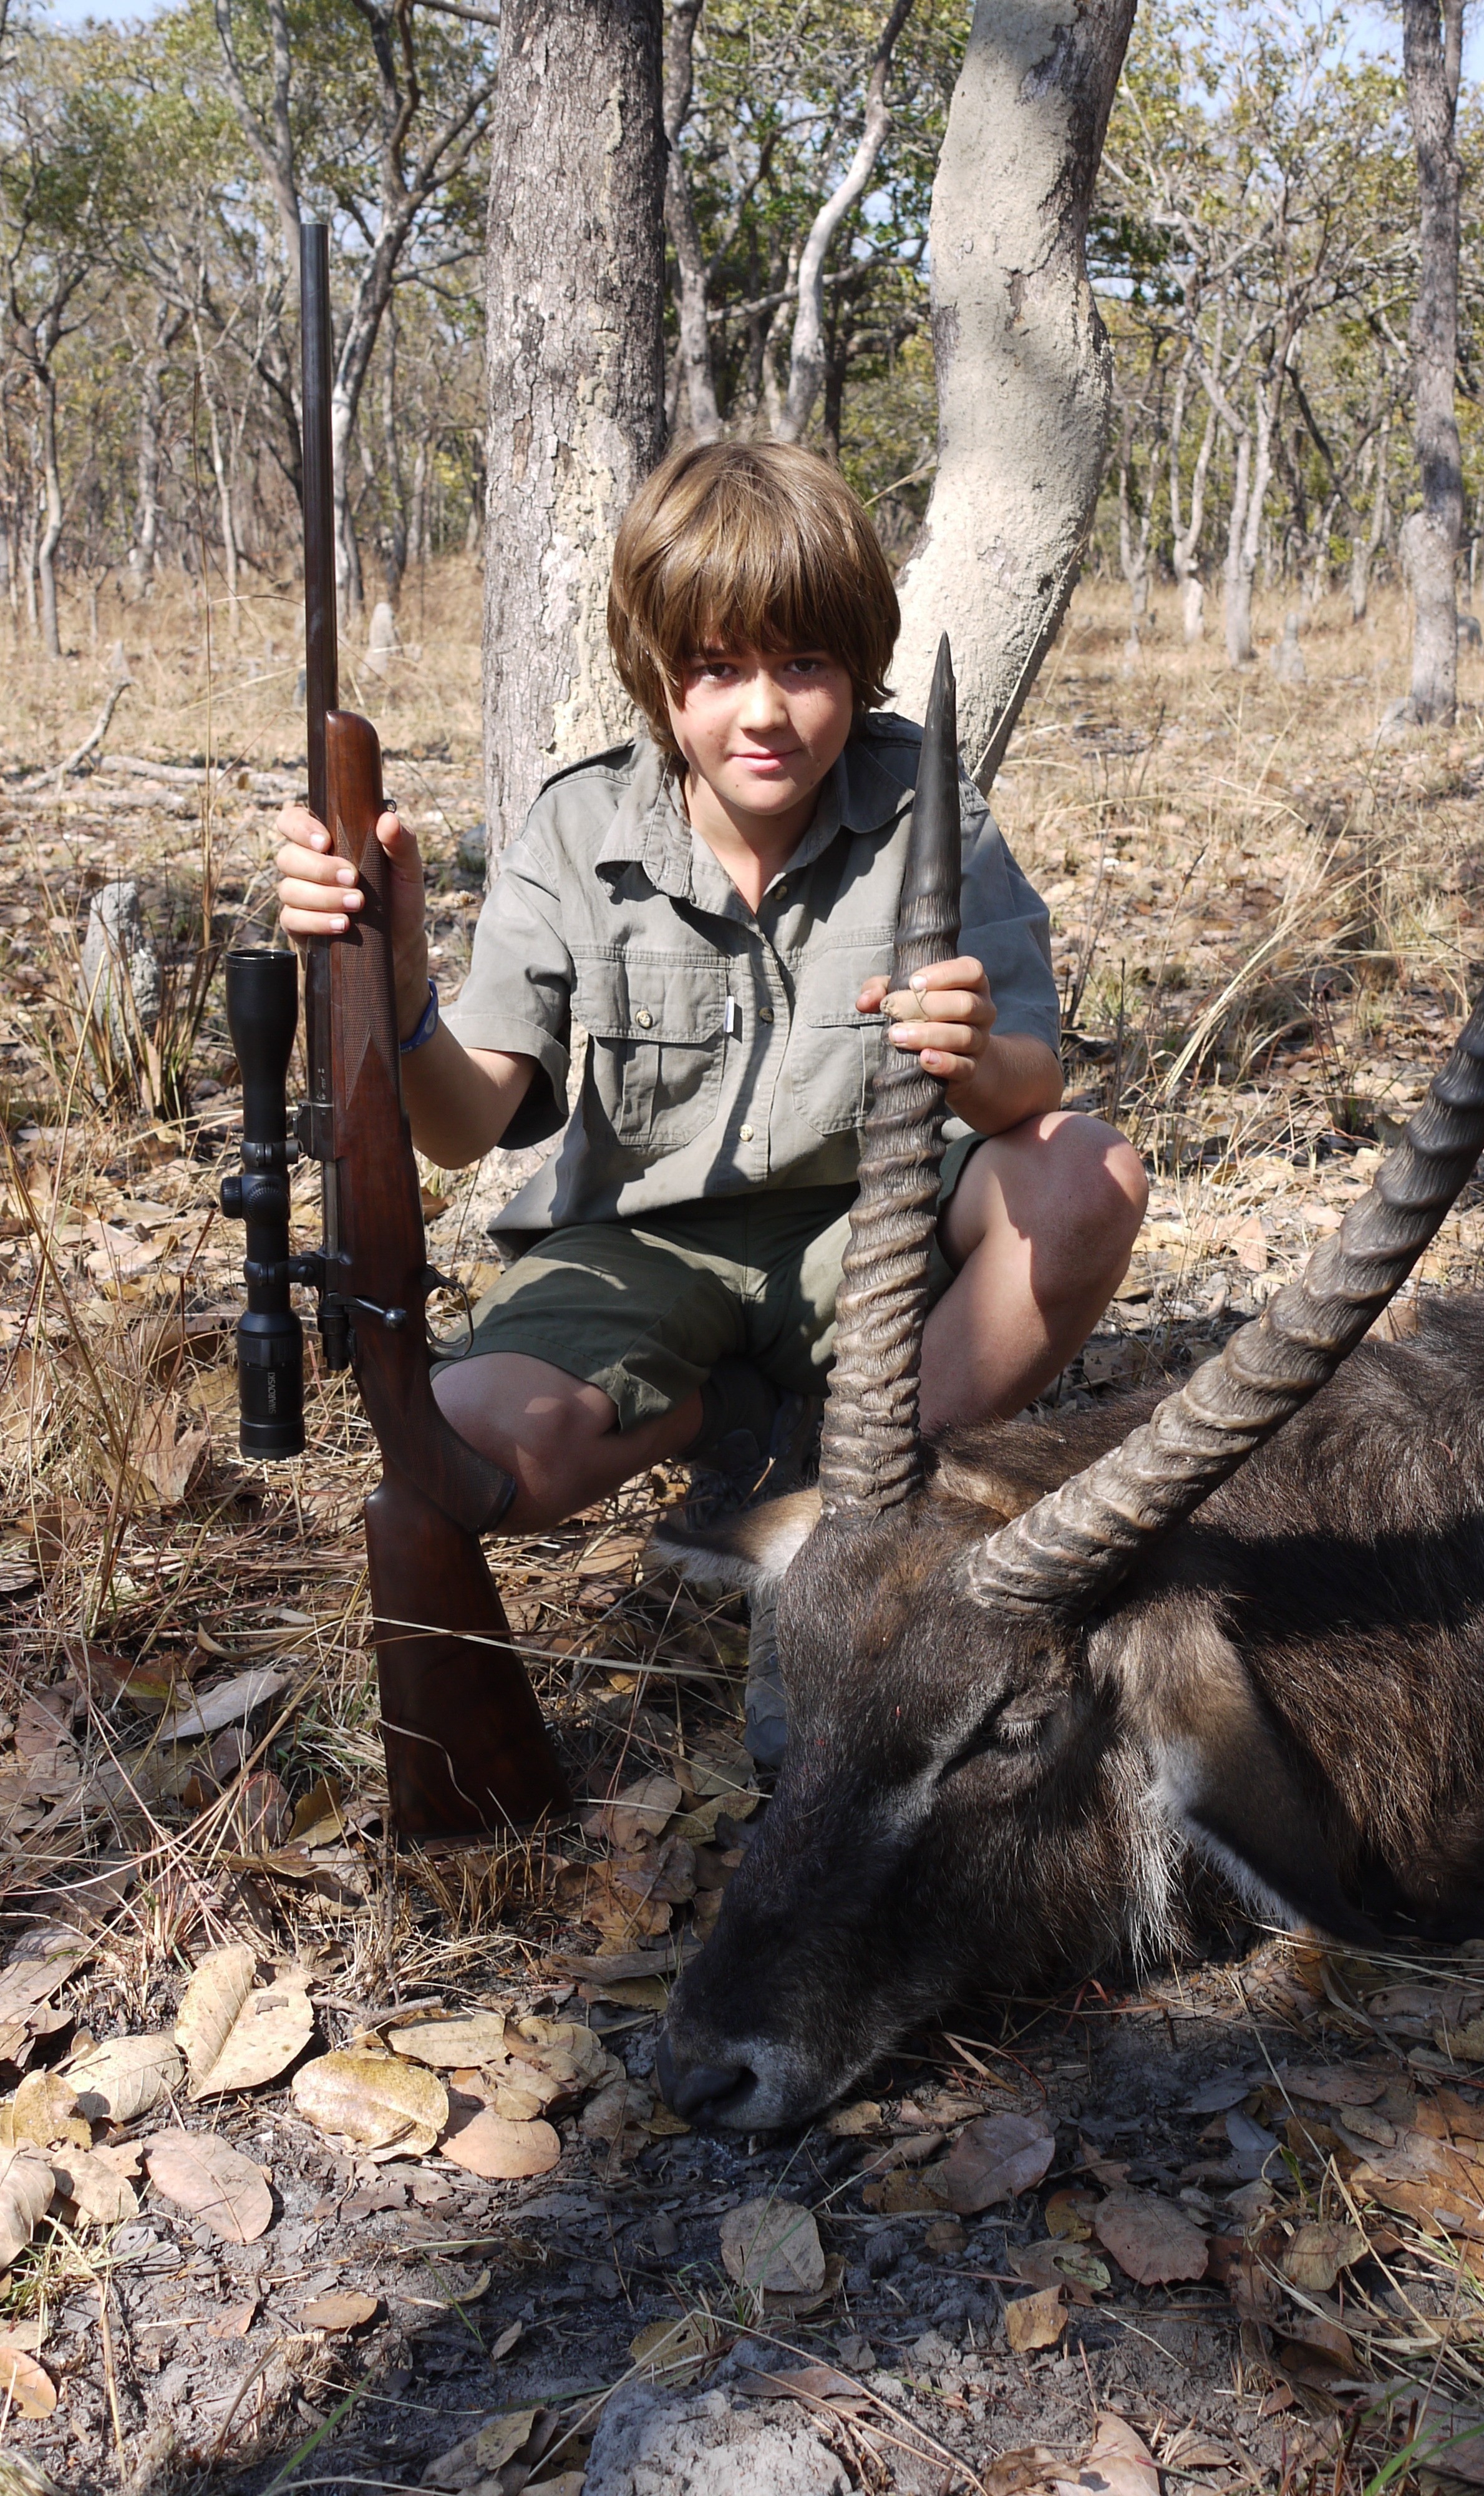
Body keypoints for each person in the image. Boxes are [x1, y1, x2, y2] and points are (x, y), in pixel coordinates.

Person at [275, 441, 1147, 1748]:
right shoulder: (579, 827)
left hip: (877, 1239)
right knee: (466, 1445)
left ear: (858, 665)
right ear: (659, 676)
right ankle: (729, 1427)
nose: (765, 711)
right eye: (721, 667)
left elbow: (1034, 1075)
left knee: (1092, 1178)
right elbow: (463, 1124)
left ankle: (848, 1502)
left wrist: (975, 1057)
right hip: (635, 1252)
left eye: (805, 664)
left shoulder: (928, 798)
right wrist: (391, 977)